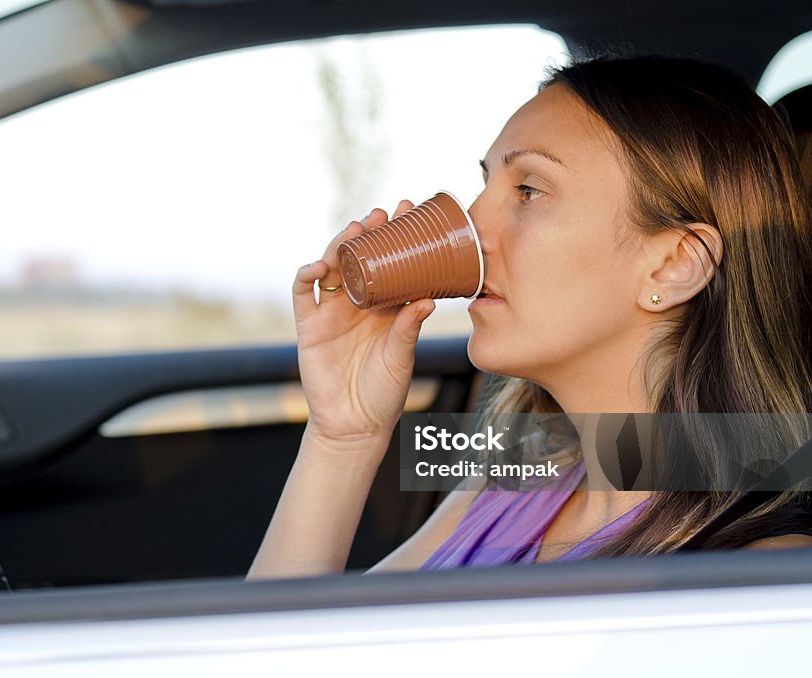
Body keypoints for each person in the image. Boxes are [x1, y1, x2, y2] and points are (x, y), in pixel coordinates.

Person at [248, 56, 812, 580]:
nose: (471, 226)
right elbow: (276, 653)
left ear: (673, 265)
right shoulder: (518, 472)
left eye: (528, 190)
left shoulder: (760, 580)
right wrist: (343, 436)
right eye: (485, 183)